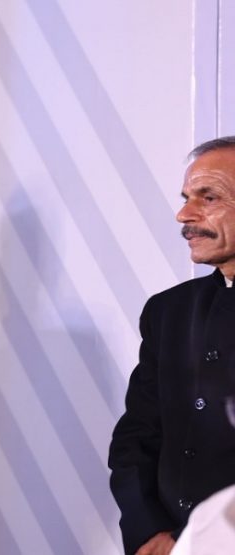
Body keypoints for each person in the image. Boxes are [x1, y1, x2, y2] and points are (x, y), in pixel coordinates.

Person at [109, 136, 235, 555]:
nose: (184, 214)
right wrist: (149, 531)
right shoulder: (168, 311)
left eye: (209, 197)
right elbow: (137, 437)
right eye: (186, 198)